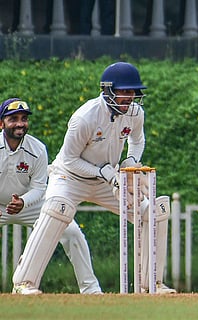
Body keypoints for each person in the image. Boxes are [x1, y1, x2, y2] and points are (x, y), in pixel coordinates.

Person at [12, 62, 175, 295]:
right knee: (58, 209)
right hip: (70, 178)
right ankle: (24, 283)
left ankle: (151, 284)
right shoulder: (84, 117)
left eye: (132, 92)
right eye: (124, 92)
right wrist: (102, 172)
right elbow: (69, 159)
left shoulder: (135, 113)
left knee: (152, 213)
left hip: (108, 181)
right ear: (108, 90)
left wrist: (130, 161)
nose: (129, 97)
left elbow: (137, 141)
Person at [0, 98, 102, 294]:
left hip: (30, 204)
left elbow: (39, 188)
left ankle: (91, 289)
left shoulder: (37, 149)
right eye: (13, 119)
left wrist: (22, 202)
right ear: (1, 123)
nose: (20, 123)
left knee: (71, 232)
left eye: (24, 118)